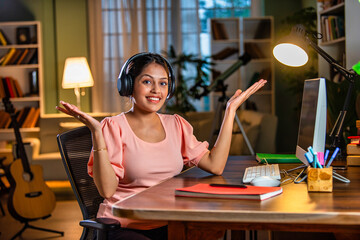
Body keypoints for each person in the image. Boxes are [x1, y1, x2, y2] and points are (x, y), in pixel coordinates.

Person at [56, 52, 266, 240]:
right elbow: (107, 189)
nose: (156, 90)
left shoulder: (176, 124)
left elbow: (215, 165)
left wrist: (230, 111)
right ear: (129, 85)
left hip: (169, 221)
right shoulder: (113, 127)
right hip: (126, 226)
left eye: (163, 83)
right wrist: (97, 134)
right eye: (147, 81)